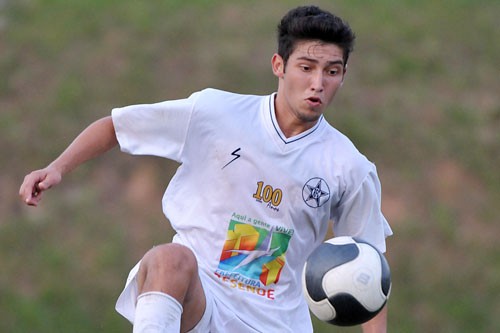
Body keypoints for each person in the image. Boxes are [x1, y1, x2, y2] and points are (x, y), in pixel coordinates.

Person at [19, 5, 392, 333]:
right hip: (202, 298)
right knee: (169, 259)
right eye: (306, 68)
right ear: (278, 65)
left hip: (274, 322)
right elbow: (116, 127)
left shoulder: (349, 167)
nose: (317, 84)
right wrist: (57, 168)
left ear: (343, 75)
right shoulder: (215, 113)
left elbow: (369, 270)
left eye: (332, 71)